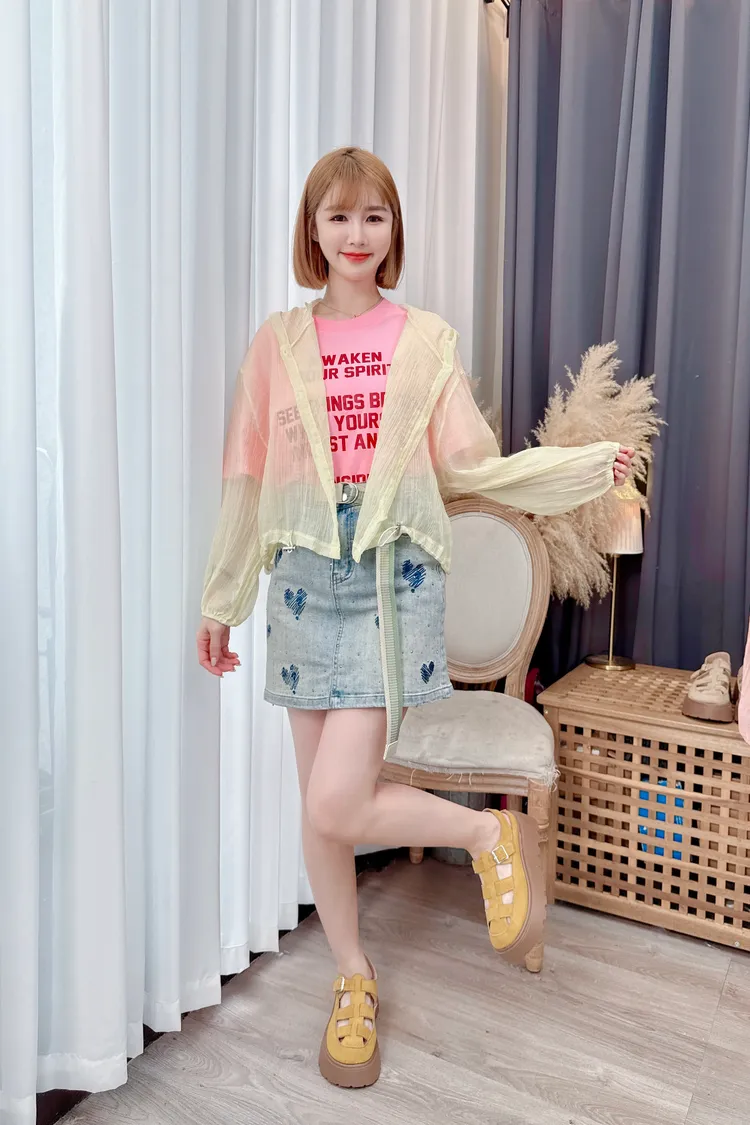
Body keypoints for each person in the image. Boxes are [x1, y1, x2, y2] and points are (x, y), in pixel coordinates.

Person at [196, 146, 634, 1089]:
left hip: (388, 586)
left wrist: (582, 468)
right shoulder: (277, 344)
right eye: (338, 215)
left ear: (394, 230)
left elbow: (473, 468)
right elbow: (246, 478)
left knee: (335, 801)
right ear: (313, 230)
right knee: (321, 812)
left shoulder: (425, 342)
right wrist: (221, 599)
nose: (356, 234)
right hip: (302, 579)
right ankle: (352, 977)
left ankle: (486, 836)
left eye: (374, 216)